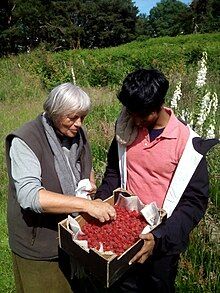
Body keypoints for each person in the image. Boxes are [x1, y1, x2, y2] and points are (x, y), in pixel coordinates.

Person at [95, 69, 219, 293]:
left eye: (141, 115)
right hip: (124, 234)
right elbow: (113, 173)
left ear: (159, 105)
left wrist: (158, 237)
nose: (134, 120)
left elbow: (194, 202)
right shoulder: (127, 130)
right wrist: (97, 202)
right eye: (130, 112)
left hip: (162, 240)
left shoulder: (187, 145)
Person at [5, 82, 116, 293]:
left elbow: (85, 164)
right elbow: (30, 196)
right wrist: (85, 205)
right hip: (39, 244)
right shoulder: (26, 140)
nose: (79, 124)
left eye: (83, 117)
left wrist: (89, 182)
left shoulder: (77, 133)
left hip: (73, 238)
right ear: (54, 112)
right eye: (72, 118)